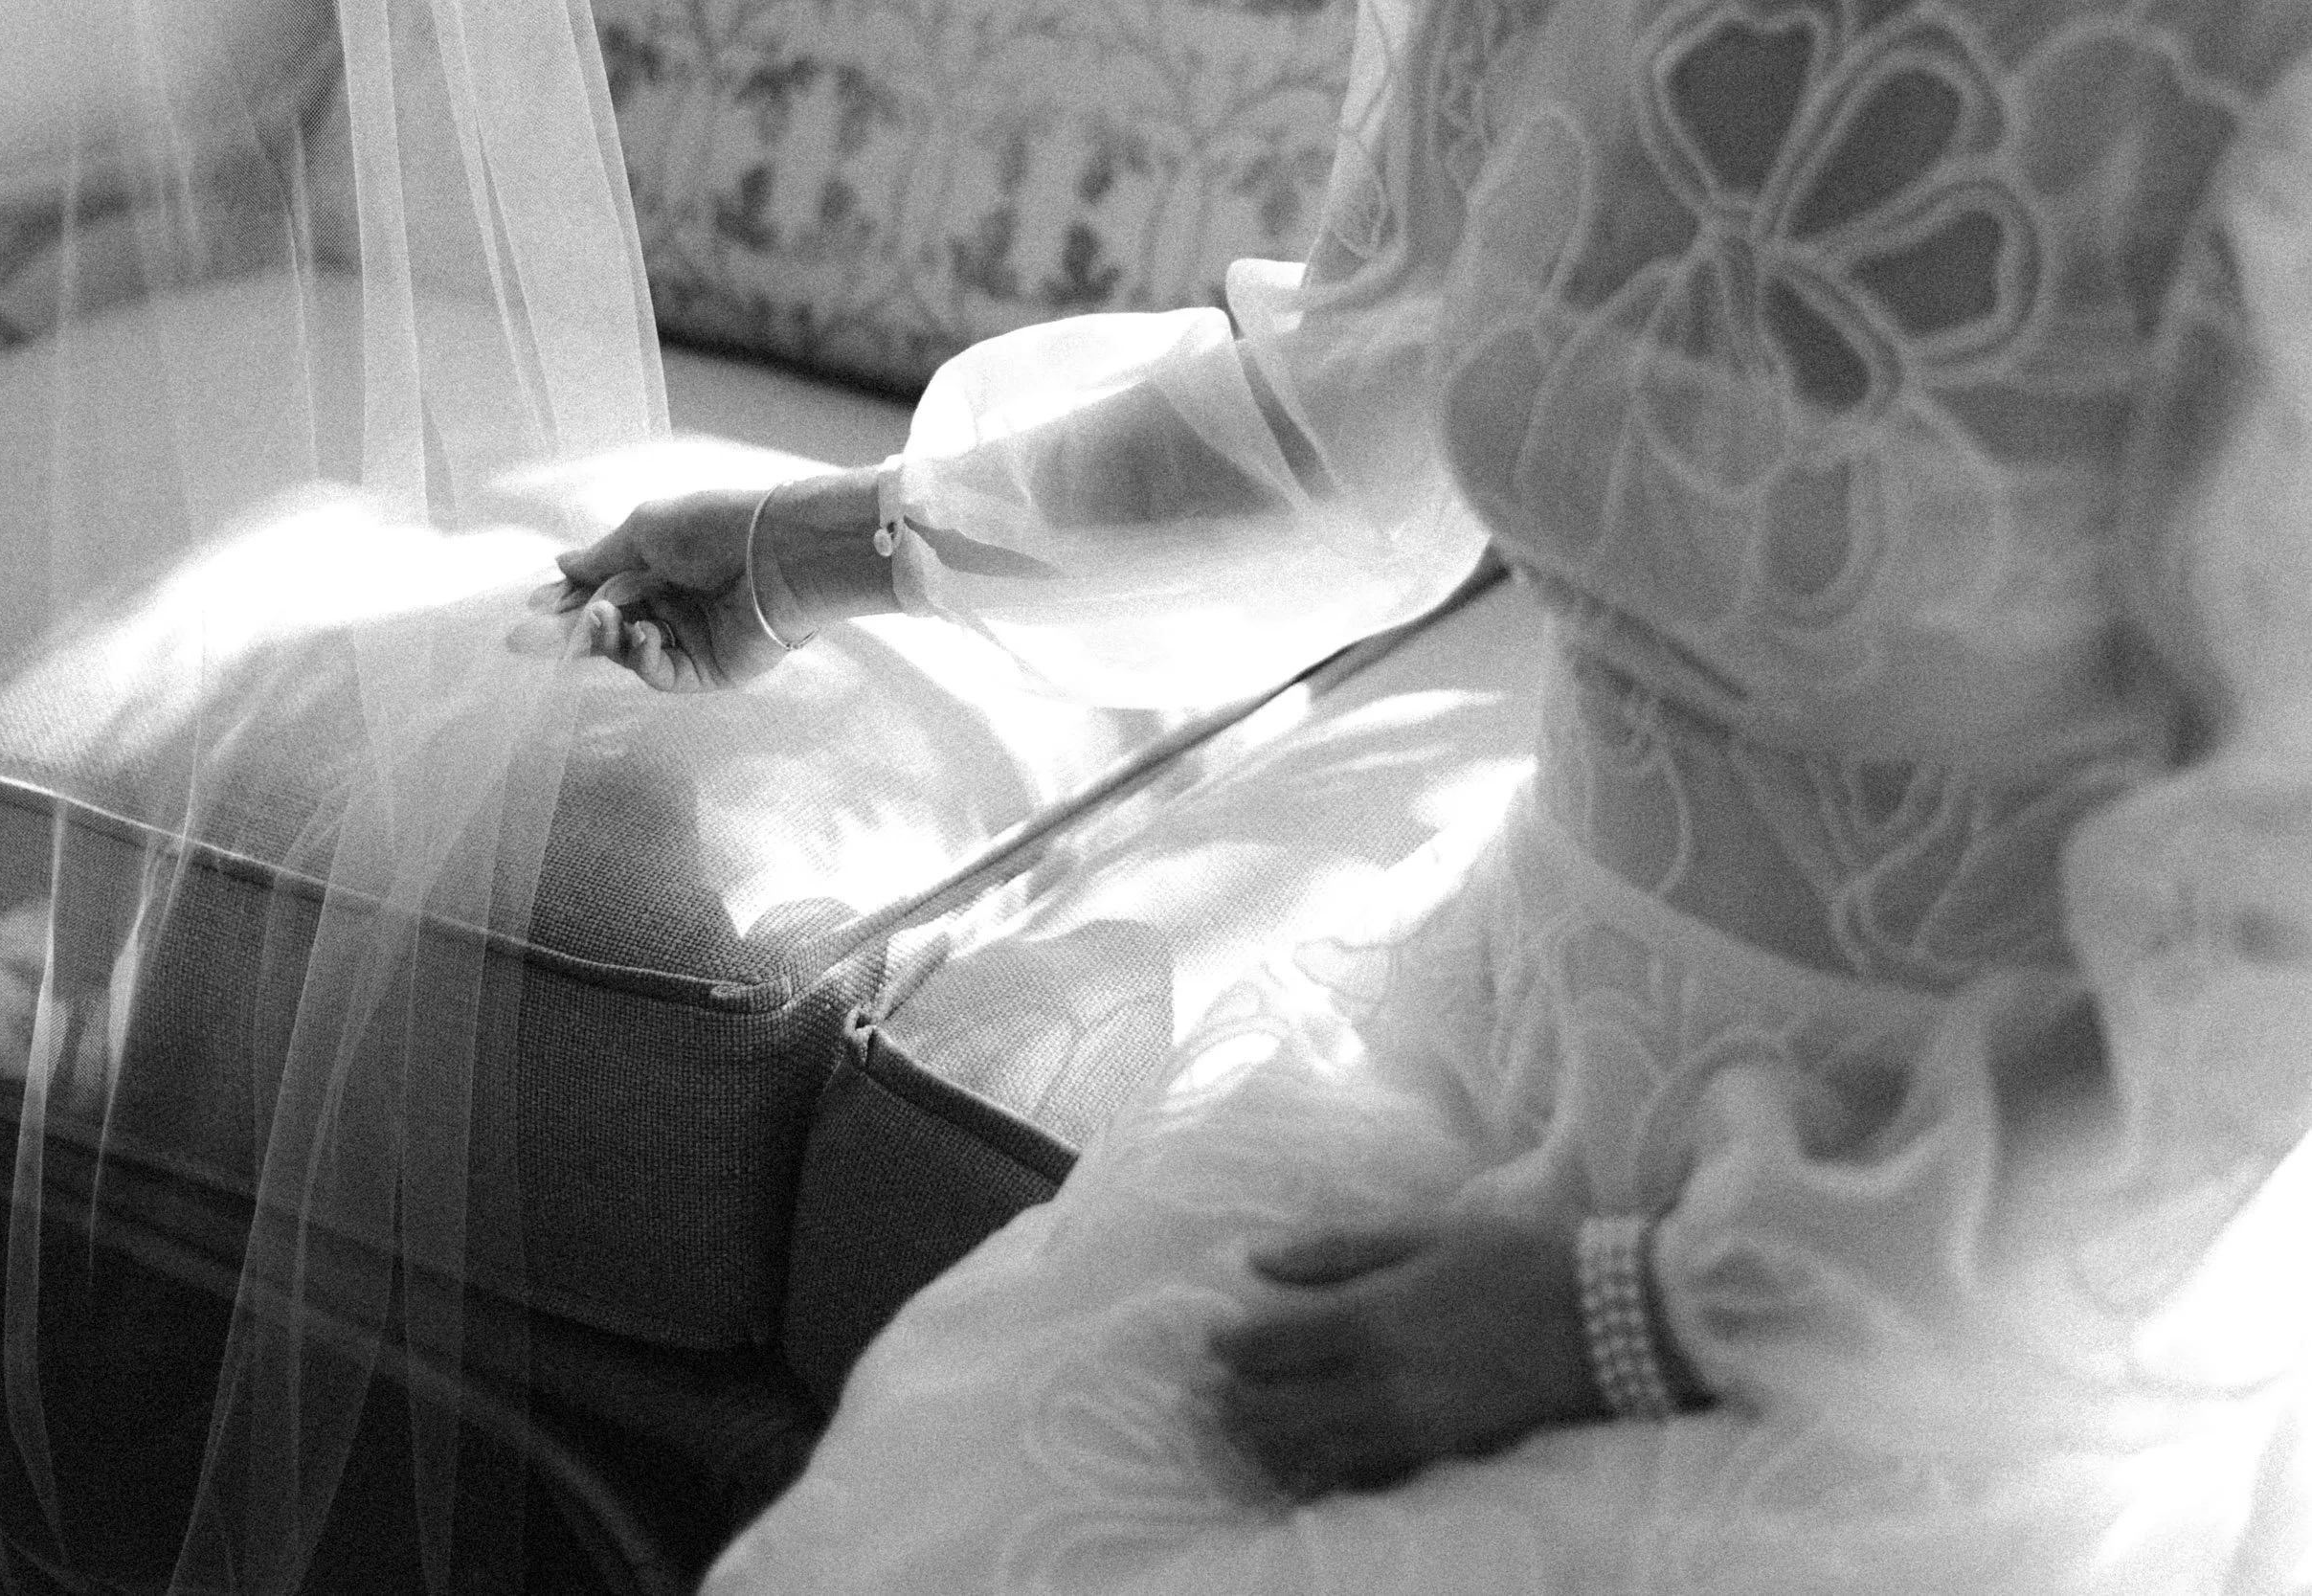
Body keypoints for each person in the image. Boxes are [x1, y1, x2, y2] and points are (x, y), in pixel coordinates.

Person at [539, 0, 2312, 1590]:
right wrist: (802, 549)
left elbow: (2263, 973)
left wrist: (1623, 1315)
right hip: (1489, 1066)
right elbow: (1345, 424)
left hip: (1977, 1271)